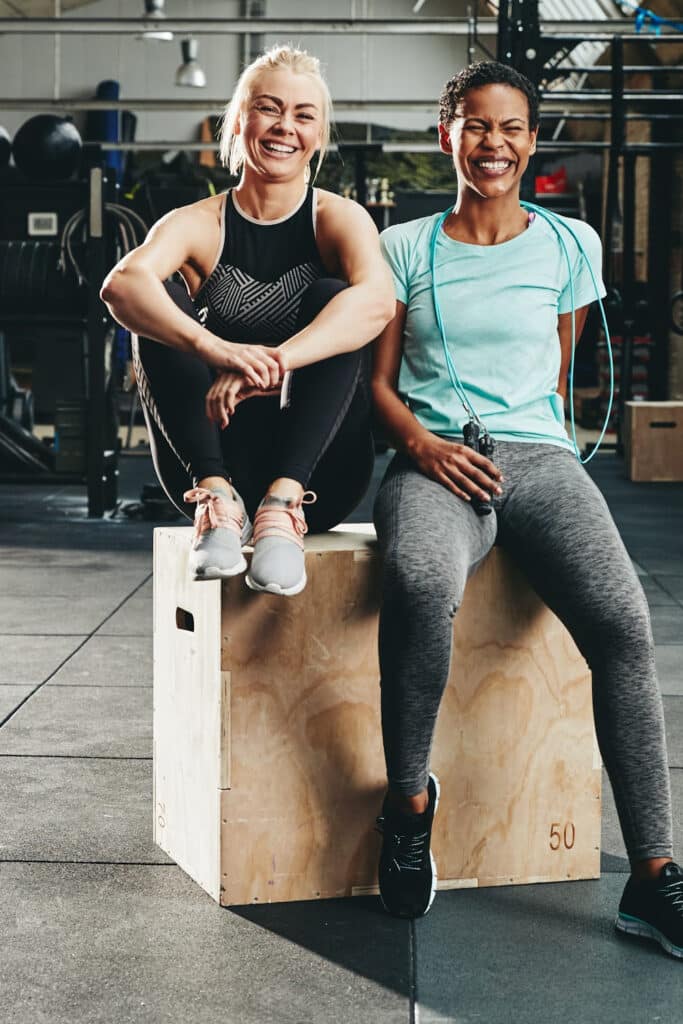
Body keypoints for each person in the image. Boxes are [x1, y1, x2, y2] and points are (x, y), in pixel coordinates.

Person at [371, 60, 682, 960]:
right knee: (420, 578)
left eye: (510, 128)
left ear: (531, 141)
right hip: (433, 462)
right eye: (474, 125)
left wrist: (523, 454)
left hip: (539, 462)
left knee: (624, 625)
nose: (492, 143)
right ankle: (407, 803)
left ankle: (653, 876)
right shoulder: (403, 248)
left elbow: (552, 372)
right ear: (446, 137)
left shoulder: (569, 243)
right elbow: (377, 387)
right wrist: (427, 448)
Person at [102, 45, 394, 595]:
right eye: (269, 108)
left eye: (304, 115)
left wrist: (276, 361)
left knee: (339, 297)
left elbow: (377, 303)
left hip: (319, 477)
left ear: (319, 134)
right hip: (214, 464)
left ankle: (281, 508)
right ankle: (216, 502)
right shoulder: (198, 224)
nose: (285, 127)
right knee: (155, 299)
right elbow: (120, 285)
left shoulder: (337, 218)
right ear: (239, 119)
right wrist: (219, 350)